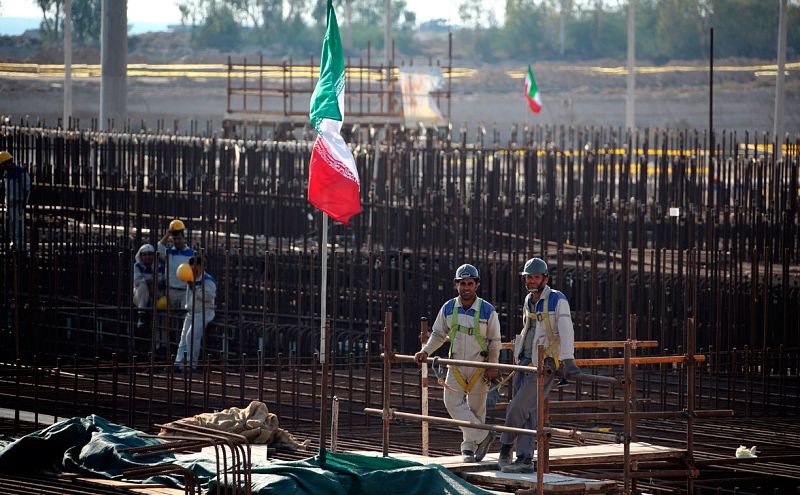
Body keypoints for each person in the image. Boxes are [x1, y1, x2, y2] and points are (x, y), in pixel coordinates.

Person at [498, 257, 581, 473]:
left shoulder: (557, 300)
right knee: (529, 412)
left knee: (517, 407)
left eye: (536, 277)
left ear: (545, 278)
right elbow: (528, 329)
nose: (532, 280)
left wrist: (568, 360)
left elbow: (566, 331)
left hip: (544, 364)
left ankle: (505, 446)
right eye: (529, 277)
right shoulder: (528, 300)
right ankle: (525, 459)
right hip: (524, 360)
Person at [414, 263, 502, 463]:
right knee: (452, 402)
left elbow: (495, 341)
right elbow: (438, 334)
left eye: (470, 283)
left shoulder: (488, 310)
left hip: (480, 365)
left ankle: (469, 448)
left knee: (477, 409)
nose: (466, 287)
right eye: (462, 283)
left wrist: (493, 365)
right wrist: (425, 351)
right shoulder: (448, 308)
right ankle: (483, 436)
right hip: (456, 365)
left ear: (476, 285)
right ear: (456, 285)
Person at [175, 255, 215, 371]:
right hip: (191, 312)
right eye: (192, 264)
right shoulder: (190, 278)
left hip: (204, 312)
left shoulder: (207, 280)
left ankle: (191, 365)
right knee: (183, 339)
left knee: (191, 336)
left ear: (202, 267)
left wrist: (195, 290)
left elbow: (209, 296)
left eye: (198, 264)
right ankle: (179, 364)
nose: (195, 267)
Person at [157, 219, 195, 309]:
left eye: (179, 238)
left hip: (185, 291)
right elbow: (159, 248)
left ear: (184, 238)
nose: (177, 241)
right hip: (170, 290)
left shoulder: (191, 253)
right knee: (170, 318)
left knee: (183, 316)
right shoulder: (169, 252)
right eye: (174, 239)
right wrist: (167, 234)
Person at [1, 151, 30, 252]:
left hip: (18, 204)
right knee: (10, 226)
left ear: (7, 163)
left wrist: (23, 203)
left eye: (2, 165)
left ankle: (20, 247)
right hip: (9, 204)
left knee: (18, 226)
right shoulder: (6, 173)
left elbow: (27, 189)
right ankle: (14, 244)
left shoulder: (20, 172)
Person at [132, 243, 164, 323]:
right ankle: (141, 315)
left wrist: (148, 281)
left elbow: (162, 282)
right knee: (142, 286)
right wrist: (150, 281)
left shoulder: (159, 266)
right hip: (140, 297)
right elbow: (137, 282)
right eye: (145, 254)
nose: (147, 257)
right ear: (141, 256)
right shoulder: (137, 266)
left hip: (156, 294)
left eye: (150, 254)